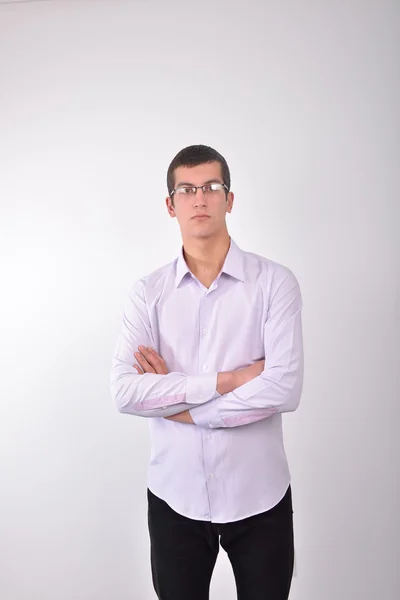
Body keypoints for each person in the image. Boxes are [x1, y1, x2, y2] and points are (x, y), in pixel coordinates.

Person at [110, 144, 304, 600]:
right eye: (187, 189)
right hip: (175, 496)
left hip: (260, 497)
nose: (200, 198)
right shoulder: (147, 294)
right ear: (170, 204)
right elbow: (124, 391)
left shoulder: (275, 283)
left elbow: (283, 388)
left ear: (229, 199)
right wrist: (229, 380)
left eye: (212, 187)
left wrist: (177, 404)